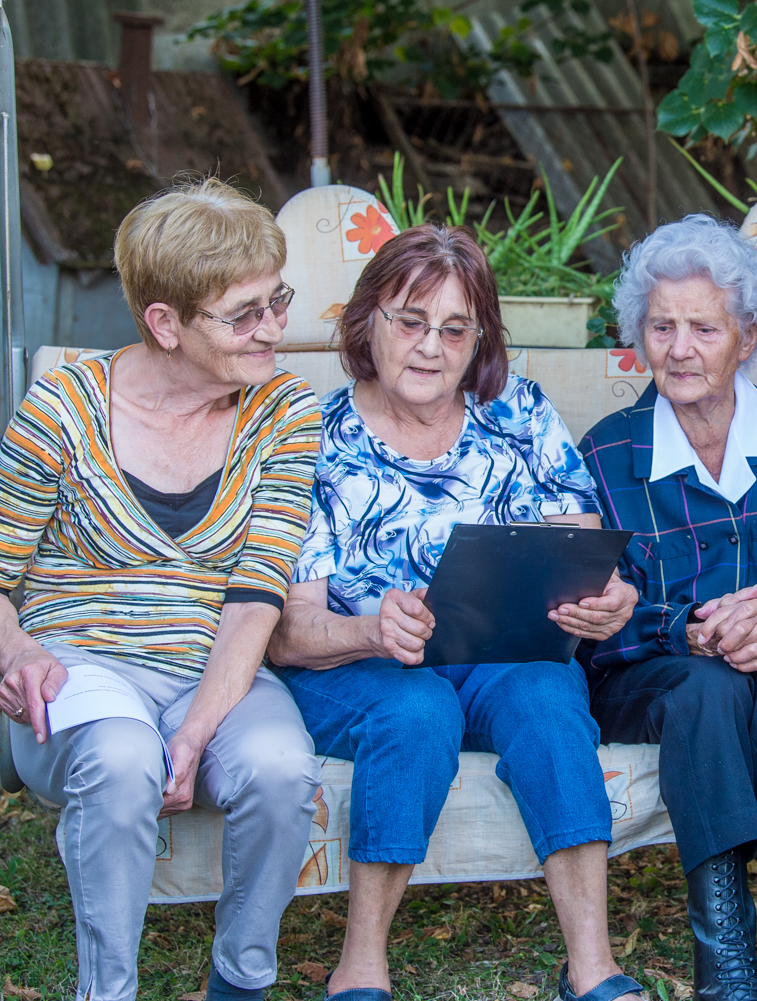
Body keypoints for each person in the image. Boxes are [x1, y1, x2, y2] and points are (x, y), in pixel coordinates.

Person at [0, 179, 324, 1001]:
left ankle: (239, 981)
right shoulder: (65, 404)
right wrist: (17, 652)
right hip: (82, 667)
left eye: (276, 300)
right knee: (121, 760)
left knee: (280, 766)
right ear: (165, 322)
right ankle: (106, 991)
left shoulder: (286, 411)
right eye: (243, 313)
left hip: (214, 662)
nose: (274, 329)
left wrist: (193, 730)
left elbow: (257, 594)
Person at [266, 224, 644, 1001]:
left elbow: (583, 548)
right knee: (416, 706)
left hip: (499, 657)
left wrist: (609, 597)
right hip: (359, 666)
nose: (430, 346)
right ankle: (361, 962)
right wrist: (371, 628)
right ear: (368, 320)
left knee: (546, 694)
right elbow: (291, 630)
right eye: (410, 320)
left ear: (480, 340)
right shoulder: (314, 439)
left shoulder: (520, 413)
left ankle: (593, 966)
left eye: (455, 328)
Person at [576, 214, 757, 1001]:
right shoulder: (607, 452)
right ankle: (727, 956)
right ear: (639, 335)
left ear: (747, 335)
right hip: (659, 674)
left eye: (703, 327)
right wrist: (691, 631)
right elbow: (600, 623)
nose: (680, 348)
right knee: (703, 687)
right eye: (661, 325)